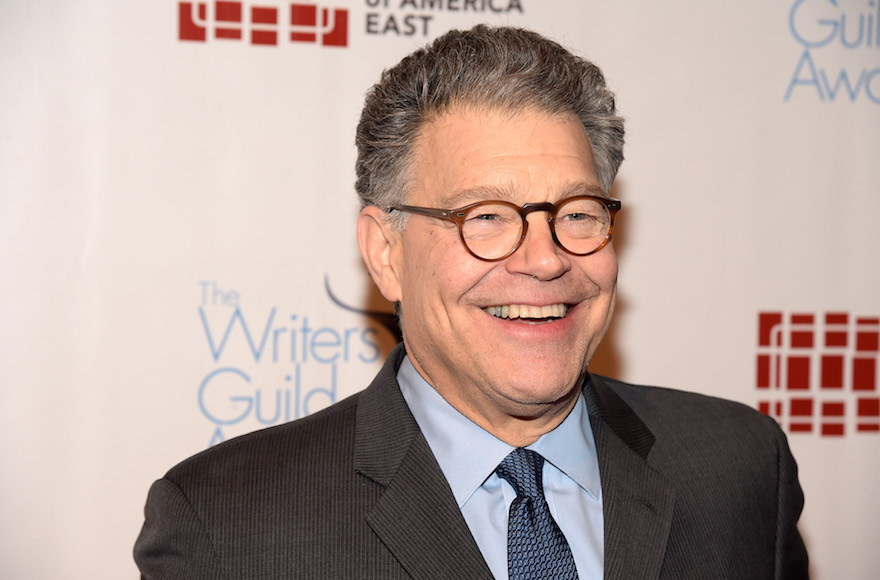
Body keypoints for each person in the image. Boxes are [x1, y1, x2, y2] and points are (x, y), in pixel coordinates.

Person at [134, 25, 809, 579]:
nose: (545, 260)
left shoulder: (739, 468)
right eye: (485, 217)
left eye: (576, 213)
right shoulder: (227, 526)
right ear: (386, 252)